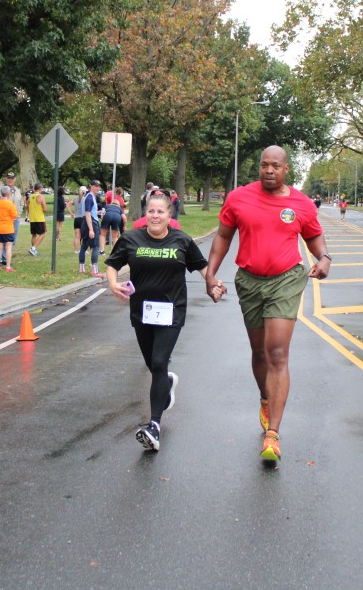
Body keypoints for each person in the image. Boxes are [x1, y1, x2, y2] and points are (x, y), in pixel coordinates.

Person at [204, 145, 331, 463]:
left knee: (276, 352)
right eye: (264, 165)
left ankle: (272, 434)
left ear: (286, 169)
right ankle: (265, 397)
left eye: (275, 165)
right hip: (249, 281)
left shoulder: (301, 204)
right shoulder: (238, 198)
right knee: (259, 352)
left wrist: (324, 258)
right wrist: (211, 273)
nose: (269, 170)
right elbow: (223, 236)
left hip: (286, 280)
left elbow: (313, 236)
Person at [106, 191, 218, 451]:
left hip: (172, 310)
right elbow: (112, 264)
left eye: (160, 211)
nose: (155, 216)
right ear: (145, 214)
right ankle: (166, 383)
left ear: (170, 215)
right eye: (151, 211)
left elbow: (202, 266)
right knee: (153, 366)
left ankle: (154, 426)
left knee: (159, 362)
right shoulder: (131, 238)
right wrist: (112, 284)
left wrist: (213, 284)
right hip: (142, 311)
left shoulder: (182, 241)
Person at [79, 179, 103, 277]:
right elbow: (88, 213)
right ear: (91, 187)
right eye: (96, 186)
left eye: (99, 186)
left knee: (84, 246)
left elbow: (91, 212)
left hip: (86, 222)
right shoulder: (89, 197)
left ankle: (82, 268)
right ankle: (95, 271)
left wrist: (99, 212)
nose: (98, 188)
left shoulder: (91, 197)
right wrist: (91, 229)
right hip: (91, 223)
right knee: (95, 246)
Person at [0, 185, 19, 272]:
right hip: (8, 228)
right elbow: (15, 215)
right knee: (8, 247)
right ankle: (8, 267)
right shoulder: (10, 204)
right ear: (8, 194)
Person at [100, 186, 125, 252]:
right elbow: (124, 217)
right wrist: (124, 226)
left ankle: (102, 250)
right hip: (117, 217)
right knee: (115, 236)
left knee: (103, 235)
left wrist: (103, 221)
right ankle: (116, 251)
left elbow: (102, 214)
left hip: (107, 216)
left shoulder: (107, 206)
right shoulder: (119, 208)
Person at [27, 182, 48, 256]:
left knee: (34, 235)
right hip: (39, 218)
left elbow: (27, 206)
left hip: (32, 218)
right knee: (43, 233)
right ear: (40, 189)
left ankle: (33, 250)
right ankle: (33, 248)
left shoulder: (30, 197)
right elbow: (45, 209)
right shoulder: (40, 197)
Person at [71, 185, 86, 250]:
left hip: (76, 219)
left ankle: (76, 250)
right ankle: (83, 250)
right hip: (82, 218)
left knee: (77, 236)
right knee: (83, 236)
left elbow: (68, 205)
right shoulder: (85, 199)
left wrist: (71, 213)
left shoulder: (75, 198)